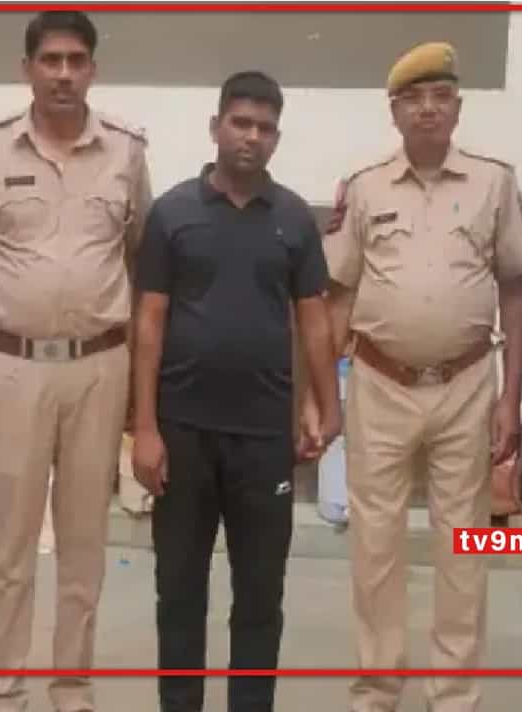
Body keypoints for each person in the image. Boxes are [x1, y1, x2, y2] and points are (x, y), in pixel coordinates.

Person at [0, 10, 152, 712]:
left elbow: (143, 267)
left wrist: (140, 388)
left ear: (93, 69)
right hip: (12, 369)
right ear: (26, 67)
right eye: (51, 60)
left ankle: (72, 690)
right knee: (11, 548)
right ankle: (4, 689)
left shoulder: (126, 152)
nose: (63, 73)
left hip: (100, 368)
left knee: (86, 546)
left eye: (76, 60)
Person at [318, 42, 522, 712]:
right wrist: (322, 397)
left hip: (468, 384)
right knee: (375, 547)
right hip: (379, 383)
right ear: (395, 112)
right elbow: (337, 298)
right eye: (413, 99)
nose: (428, 109)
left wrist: (511, 396)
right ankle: (377, 691)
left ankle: (455, 696)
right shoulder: (364, 188)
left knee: (462, 548)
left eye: (441, 96)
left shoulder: (494, 183)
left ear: (458, 108)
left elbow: (515, 291)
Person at [131, 71, 340, 712]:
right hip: (183, 434)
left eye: (265, 128)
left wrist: (327, 406)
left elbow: (314, 318)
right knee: (179, 594)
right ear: (215, 127)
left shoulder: (294, 219)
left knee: (259, 599)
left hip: (264, 438)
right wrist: (145, 427)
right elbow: (149, 321)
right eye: (240, 123)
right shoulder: (173, 214)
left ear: (276, 137)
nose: (252, 136)